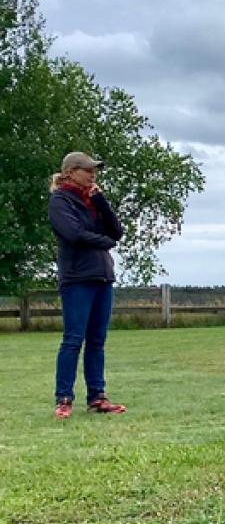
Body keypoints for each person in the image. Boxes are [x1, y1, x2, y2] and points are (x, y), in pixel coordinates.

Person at [49, 151, 127, 418]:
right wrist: (104, 242)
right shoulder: (60, 201)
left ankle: (98, 397)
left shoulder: (92, 201)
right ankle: (64, 399)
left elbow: (116, 231)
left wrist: (101, 200)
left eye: (94, 170)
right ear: (71, 172)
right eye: (87, 170)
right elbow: (73, 234)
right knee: (73, 340)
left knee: (97, 341)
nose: (93, 175)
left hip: (102, 276)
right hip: (77, 278)